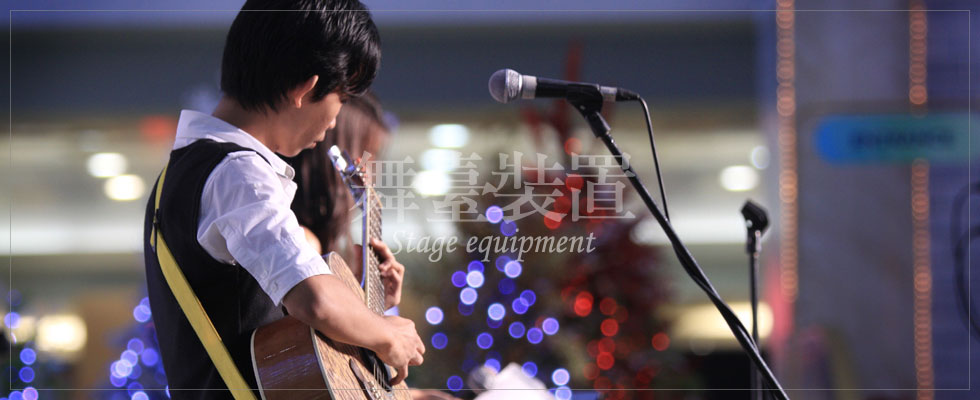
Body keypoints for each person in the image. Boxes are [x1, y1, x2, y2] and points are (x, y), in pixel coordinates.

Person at [142, 1, 424, 398]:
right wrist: (387, 333)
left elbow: (287, 334)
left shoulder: (190, 169)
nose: (333, 122)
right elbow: (316, 300)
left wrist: (365, 308)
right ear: (304, 89)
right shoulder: (238, 173)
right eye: (341, 99)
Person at [288, 94, 460, 400]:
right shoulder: (301, 243)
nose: (371, 174)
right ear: (332, 158)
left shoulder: (325, 252)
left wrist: (372, 303)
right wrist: (379, 326)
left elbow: (340, 371)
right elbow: (306, 364)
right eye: (366, 156)